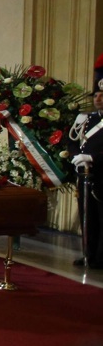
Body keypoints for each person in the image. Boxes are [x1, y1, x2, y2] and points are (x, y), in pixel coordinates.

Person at [70, 55, 103, 268]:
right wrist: (76, 157)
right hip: (85, 175)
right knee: (87, 217)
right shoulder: (87, 119)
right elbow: (73, 141)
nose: (98, 99)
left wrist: (93, 158)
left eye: (102, 95)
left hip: (102, 175)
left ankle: (101, 257)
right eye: (96, 95)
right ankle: (89, 254)